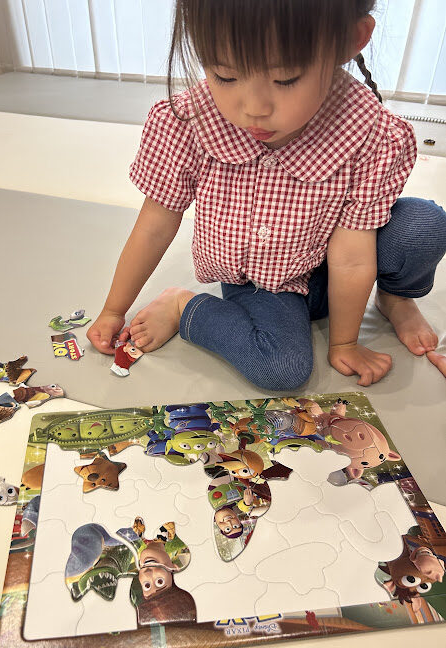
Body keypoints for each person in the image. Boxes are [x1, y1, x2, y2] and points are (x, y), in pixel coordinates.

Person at [87, 0, 446, 389]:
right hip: (265, 279)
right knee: (281, 369)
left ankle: (394, 299)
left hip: (338, 265)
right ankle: (182, 305)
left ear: (350, 40)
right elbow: (155, 226)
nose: (254, 108)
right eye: (225, 75)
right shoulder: (188, 121)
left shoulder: (374, 133)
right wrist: (113, 310)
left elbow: (353, 255)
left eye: (286, 79)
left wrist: (344, 343)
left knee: (425, 224)